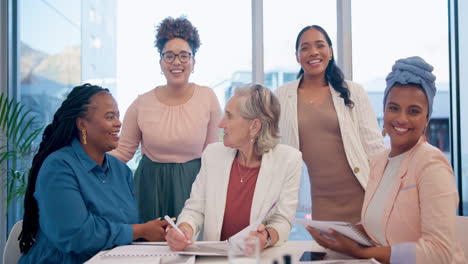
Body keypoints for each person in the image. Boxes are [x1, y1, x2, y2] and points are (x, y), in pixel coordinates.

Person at [307, 57, 466, 264]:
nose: (401, 118)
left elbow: (439, 253)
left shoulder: (431, 164)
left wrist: (363, 253)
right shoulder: (380, 161)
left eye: (414, 111)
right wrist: (339, 235)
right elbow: (379, 227)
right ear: (384, 111)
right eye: (393, 108)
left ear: (427, 119)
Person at [19, 84, 169, 264]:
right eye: (109, 116)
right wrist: (140, 231)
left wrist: (154, 232)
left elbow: (129, 224)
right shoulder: (58, 167)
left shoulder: (121, 170)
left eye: (118, 116)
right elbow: (77, 235)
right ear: (82, 124)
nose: (119, 123)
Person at [109, 16, 222, 222]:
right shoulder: (141, 103)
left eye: (184, 56)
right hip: (149, 187)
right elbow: (123, 151)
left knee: (189, 245)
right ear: (160, 62)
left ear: (193, 62)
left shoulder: (208, 98)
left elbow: (213, 154)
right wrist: (84, 160)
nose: (176, 62)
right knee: (148, 248)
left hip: (194, 185)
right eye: (169, 56)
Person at [165, 84, 302, 251]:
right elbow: (195, 209)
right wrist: (185, 229)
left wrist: (265, 237)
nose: (221, 124)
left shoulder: (288, 160)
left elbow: (282, 220)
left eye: (229, 116)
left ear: (254, 126)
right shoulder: (213, 154)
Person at [275, 25, 385, 223]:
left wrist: (383, 195)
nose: (313, 52)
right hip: (315, 206)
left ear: (330, 51)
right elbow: (276, 150)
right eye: (305, 48)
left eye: (320, 45)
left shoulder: (354, 91)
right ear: (297, 56)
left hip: (360, 199)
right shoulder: (283, 96)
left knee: (363, 253)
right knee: (320, 253)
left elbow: (374, 148)